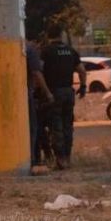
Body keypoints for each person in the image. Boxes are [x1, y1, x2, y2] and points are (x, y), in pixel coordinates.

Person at [40, 24, 86, 170]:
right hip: (68, 91)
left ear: (48, 36)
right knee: (68, 125)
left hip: (54, 92)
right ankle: (67, 156)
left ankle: (60, 159)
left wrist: (45, 91)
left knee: (56, 126)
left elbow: (39, 72)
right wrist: (83, 86)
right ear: (61, 35)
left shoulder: (46, 52)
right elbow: (82, 70)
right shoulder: (71, 51)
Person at [26, 40, 54, 175]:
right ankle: (31, 160)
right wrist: (48, 93)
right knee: (33, 129)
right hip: (26, 95)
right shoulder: (29, 49)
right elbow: (37, 73)